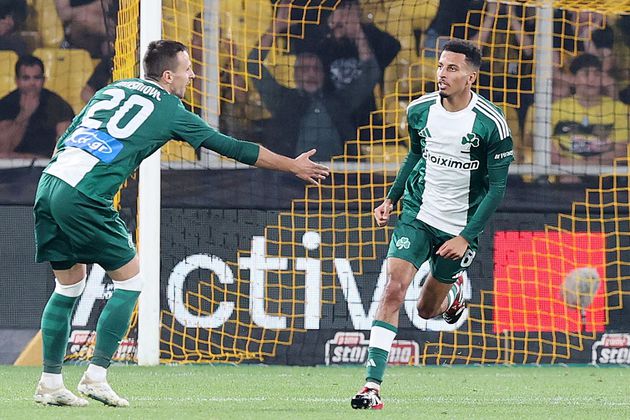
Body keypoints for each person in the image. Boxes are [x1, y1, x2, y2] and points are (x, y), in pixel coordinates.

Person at [32, 39, 329, 407]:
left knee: (69, 287)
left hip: (51, 182)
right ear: (168, 76)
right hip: (85, 194)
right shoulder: (171, 109)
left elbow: (69, 135)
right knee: (131, 281)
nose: (193, 75)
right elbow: (231, 147)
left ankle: (50, 382)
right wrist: (292, 165)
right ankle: (96, 376)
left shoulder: (113, 88)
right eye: (187, 69)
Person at [351, 39, 513, 410]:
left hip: (459, 227)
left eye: (452, 68)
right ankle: (372, 386)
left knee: (426, 310)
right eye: (440, 66)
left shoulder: (491, 124)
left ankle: (453, 294)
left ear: (471, 77)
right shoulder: (419, 110)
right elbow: (415, 154)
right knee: (393, 289)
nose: (442, 73)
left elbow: (498, 188)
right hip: (417, 214)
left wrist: (466, 237)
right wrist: (391, 199)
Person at [248, 0, 380, 159]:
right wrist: (277, 26)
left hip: (338, 173)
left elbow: (371, 72)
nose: (311, 74)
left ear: (323, 75)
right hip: (290, 174)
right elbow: (253, 64)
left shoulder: (340, 101)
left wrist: (357, 32)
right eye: (304, 69)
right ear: (295, 74)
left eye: (316, 69)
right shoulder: (281, 99)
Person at [0, 55, 74, 159]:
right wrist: (24, 115)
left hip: (46, 162)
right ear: (17, 80)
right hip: (12, 164)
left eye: (37, 78)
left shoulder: (57, 104)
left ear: (44, 80)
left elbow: (65, 148)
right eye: (26, 78)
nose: (32, 83)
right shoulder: (6, 104)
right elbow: (3, 147)